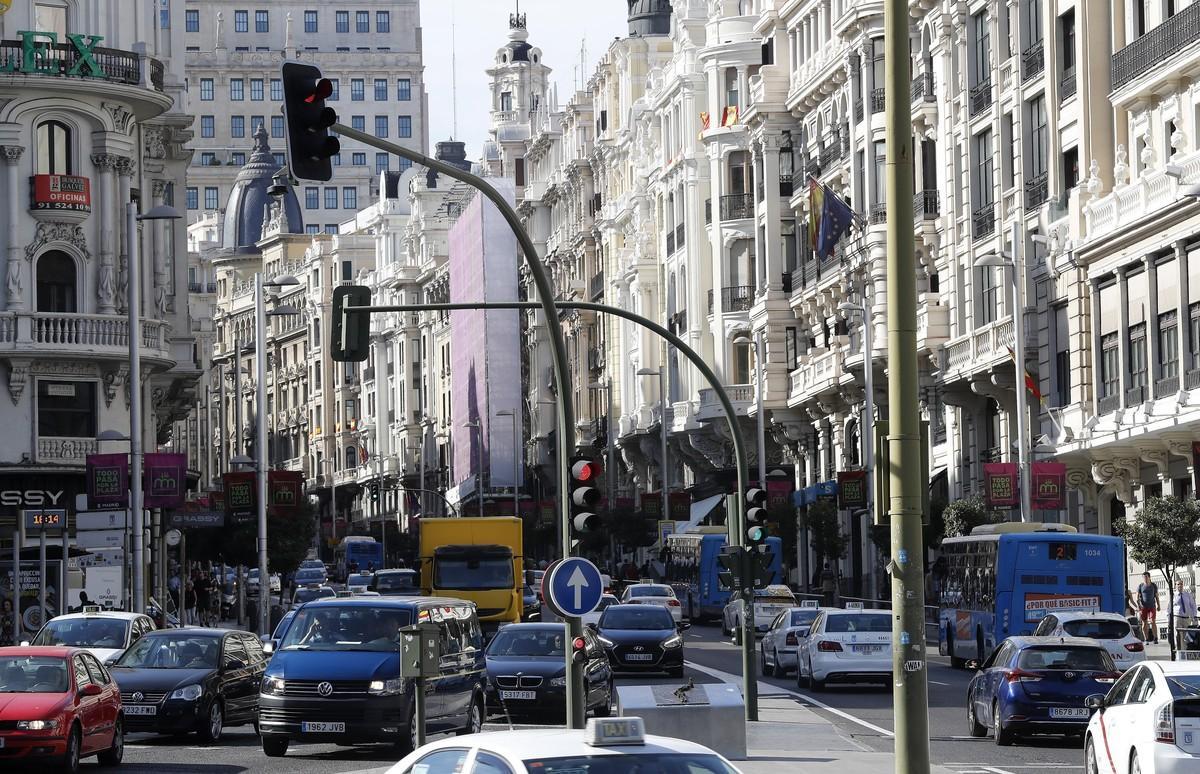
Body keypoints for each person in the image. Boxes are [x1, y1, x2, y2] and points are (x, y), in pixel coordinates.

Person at [1175, 577, 1199, 651]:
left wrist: (1194, 615)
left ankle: (1185, 652)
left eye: (1181, 584)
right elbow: (1169, 608)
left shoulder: (1187, 595)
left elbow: (1193, 605)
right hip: (1177, 617)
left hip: (1186, 618)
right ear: (1175, 585)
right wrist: (1169, 619)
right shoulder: (1173, 595)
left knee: (1186, 636)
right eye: (1178, 584)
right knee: (1178, 635)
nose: (1180, 586)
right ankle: (1178, 651)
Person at [1137, 571, 1160, 643]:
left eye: (1146, 577)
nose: (1145, 578)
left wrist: (1159, 605)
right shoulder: (1140, 586)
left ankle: (1155, 638)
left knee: (1153, 621)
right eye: (1144, 577)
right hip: (1143, 607)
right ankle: (1146, 639)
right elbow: (1137, 598)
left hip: (1152, 606)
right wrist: (1139, 606)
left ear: (1149, 577)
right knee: (1144, 623)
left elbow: (1156, 596)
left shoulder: (1153, 585)